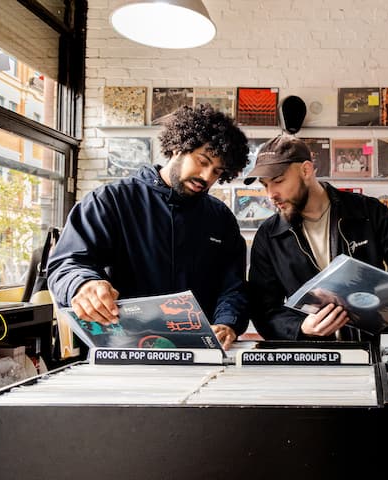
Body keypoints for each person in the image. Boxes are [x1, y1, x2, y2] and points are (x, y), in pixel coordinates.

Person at [47, 104, 250, 349]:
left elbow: (233, 286)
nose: (207, 177)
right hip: (122, 347)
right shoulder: (110, 201)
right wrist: (84, 284)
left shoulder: (220, 218)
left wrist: (228, 323)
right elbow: (67, 263)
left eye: (217, 171)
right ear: (178, 147)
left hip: (199, 349)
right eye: (202, 161)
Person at [245, 134, 388, 343]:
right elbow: (264, 311)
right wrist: (301, 327)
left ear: (305, 170)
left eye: (278, 181)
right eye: (265, 185)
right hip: (312, 356)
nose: (271, 195)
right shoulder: (269, 236)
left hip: (372, 350)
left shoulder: (367, 212)